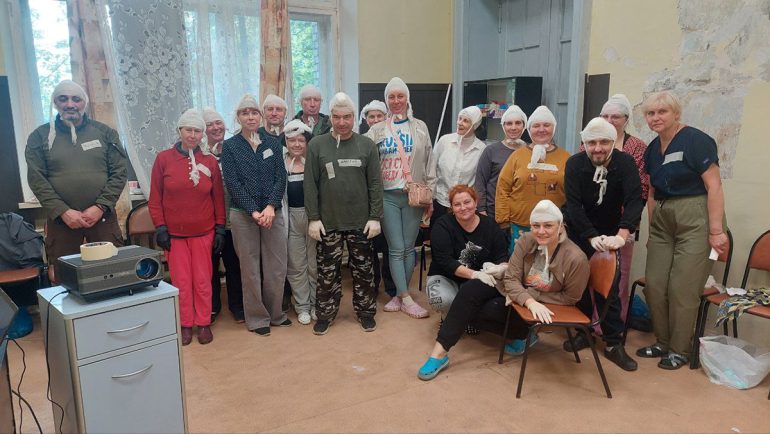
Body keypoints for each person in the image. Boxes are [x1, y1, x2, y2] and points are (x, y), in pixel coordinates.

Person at [418, 197, 589, 380]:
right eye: (535, 225)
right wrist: (528, 299)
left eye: (548, 225)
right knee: (469, 291)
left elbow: (571, 298)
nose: (541, 231)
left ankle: (524, 336)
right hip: (518, 292)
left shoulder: (576, 259)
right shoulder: (526, 240)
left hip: (543, 303)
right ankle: (439, 354)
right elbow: (511, 277)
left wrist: (532, 298)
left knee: (485, 311)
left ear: (561, 226)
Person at [639, 91, 728, 369]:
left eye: (662, 112)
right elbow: (652, 192)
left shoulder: (696, 141)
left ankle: (680, 349)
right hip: (663, 219)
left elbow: (714, 185)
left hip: (696, 216)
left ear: (676, 113)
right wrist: (653, 231)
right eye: (651, 113)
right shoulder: (652, 148)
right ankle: (662, 342)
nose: (656, 118)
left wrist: (716, 231)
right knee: (654, 284)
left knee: (682, 287)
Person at [562, 117, 644, 371]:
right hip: (580, 233)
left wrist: (622, 234)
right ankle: (583, 331)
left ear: (613, 142)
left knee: (609, 289)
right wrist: (589, 236)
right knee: (581, 285)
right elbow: (573, 206)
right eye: (592, 142)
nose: (598, 148)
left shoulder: (626, 163)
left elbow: (634, 200)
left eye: (604, 142)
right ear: (584, 143)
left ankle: (612, 343)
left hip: (610, 233)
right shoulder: (575, 164)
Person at [25, 80, 127, 281]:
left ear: (84, 103)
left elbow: (119, 172)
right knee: (65, 279)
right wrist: (63, 211)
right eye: (63, 98)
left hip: (103, 219)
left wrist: (100, 206)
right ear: (55, 102)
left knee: (112, 275)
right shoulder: (39, 136)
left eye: (76, 99)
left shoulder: (106, 133)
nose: (70, 104)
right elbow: (37, 179)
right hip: (62, 223)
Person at [304, 92, 383, 335]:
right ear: (331, 118)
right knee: (327, 271)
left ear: (353, 117)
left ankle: (366, 312)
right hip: (328, 222)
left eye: (347, 116)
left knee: (364, 270)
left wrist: (375, 216)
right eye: (336, 117)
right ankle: (325, 314)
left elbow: (375, 184)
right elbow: (310, 184)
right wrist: (314, 218)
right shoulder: (317, 145)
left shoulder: (367, 145)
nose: (341, 122)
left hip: (361, 221)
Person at [148, 109, 226, 345]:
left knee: (203, 281)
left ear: (202, 134)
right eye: (188, 130)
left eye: (197, 131)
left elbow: (218, 199)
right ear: (179, 131)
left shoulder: (210, 161)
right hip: (174, 235)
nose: (192, 135)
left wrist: (220, 228)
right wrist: (160, 227)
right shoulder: (163, 159)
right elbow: (155, 198)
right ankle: (185, 324)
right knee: (181, 283)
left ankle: (203, 323)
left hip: (204, 233)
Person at [220, 94, 290, 336]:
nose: (250, 116)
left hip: (273, 214)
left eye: (253, 112)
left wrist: (271, 206)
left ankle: (276, 314)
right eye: (244, 113)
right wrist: (254, 211)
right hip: (243, 215)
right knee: (250, 268)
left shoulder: (272, 143)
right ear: (238, 117)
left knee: (277, 267)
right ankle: (258, 318)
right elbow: (233, 184)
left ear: (259, 116)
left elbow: (281, 177)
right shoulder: (230, 146)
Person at [365, 78, 434, 318]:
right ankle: (406, 298)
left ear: (407, 98)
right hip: (387, 196)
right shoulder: (376, 130)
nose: (396, 101)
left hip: (413, 197)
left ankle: (398, 295)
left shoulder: (420, 127)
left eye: (400, 96)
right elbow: (366, 162)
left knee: (409, 248)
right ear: (387, 101)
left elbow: (429, 162)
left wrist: (430, 196)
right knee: (395, 248)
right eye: (391, 97)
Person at [495, 105, 570, 254]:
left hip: (553, 228)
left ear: (553, 128)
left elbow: (573, 194)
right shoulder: (517, 156)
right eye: (536, 125)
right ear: (529, 129)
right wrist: (503, 221)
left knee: (549, 269)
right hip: (520, 226)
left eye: (546, 125)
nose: (541, 129)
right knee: (520, 268)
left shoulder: (566, 158)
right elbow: (503, 188)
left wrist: (566, 221)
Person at [203, 107, 245, 324]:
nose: (215, 127)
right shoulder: (199, 153)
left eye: (218, 123)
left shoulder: (233, 148)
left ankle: (237, 306)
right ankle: (212, 306)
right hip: (208, 222)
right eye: (210, 124)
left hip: (233, 218)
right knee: (209, 265)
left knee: (234, 264)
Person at [282, 119, 318, 325]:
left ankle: (314, 304)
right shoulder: (280, 162)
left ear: (307, 142)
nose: (296, 144)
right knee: (296, 265)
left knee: (313, 264)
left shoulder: (313, 161)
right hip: (290, 218)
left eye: (301, 140)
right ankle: (302, 306)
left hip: (312, 217)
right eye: (292, 140)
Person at [360, 99, 396, 297]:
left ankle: (391, 286)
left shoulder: (393, 138)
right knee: (370, 245)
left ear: (386, 117)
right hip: (366, 200)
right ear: (366, 119)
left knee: (390, 244)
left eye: (379, 116)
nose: (375, 120)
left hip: (390, 196)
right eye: (371, 116)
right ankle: (372, 284)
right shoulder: (361, 140)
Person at [431, 106, 486, 227]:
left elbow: (481, 181)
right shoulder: (444, 141)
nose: (460, 123)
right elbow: (432, 170)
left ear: (475, 125)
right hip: (440, 202)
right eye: (460, 119)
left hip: (465, 208)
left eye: (466, 121)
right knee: (438, 240)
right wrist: (430, 199)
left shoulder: (482, 149)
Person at [474, 105, 527, 221]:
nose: (513, 127)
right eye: (509, 123)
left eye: (518, 123)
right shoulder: (491, 151)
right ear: (503, 126)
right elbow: (480, 182)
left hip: (522, 214)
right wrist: (482, 210)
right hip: (493, 213)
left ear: (524, 126)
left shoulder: (530, 151)